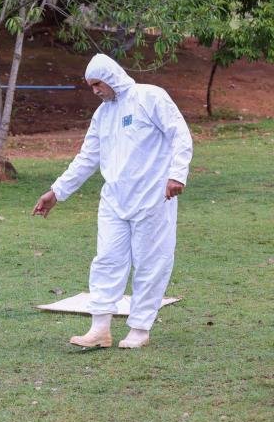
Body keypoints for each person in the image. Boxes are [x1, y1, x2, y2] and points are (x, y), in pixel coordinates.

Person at [32, 54, 193, 349]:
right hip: (114, 200)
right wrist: (57, 191)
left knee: (150, 262)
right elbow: (87, 158)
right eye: (91, 86)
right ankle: (100, 328)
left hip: (153, 198)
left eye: (98, 83)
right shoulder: (102, 115)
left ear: (112, 77)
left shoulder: (150, 97)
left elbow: (179, 134)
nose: (95, 90)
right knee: (106, 260)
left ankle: (140, 329)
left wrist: (176, 175)